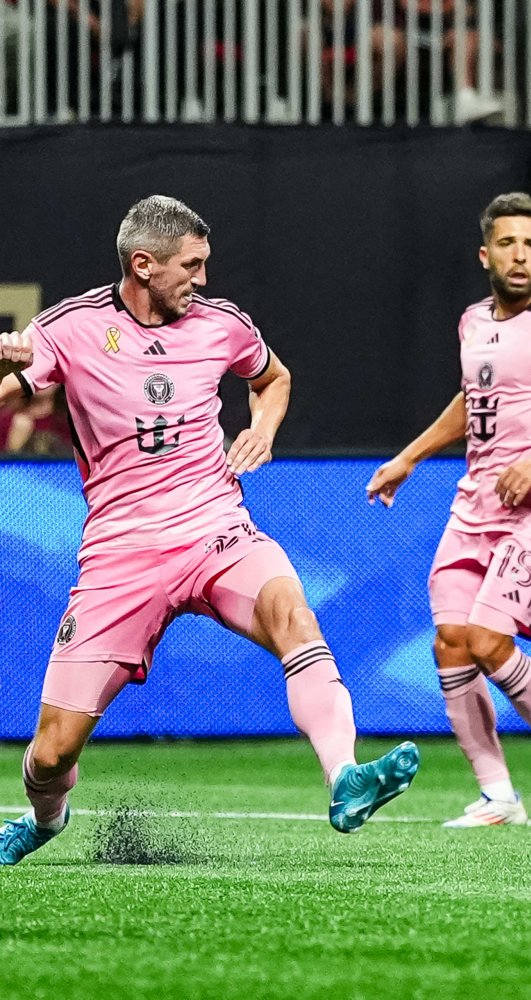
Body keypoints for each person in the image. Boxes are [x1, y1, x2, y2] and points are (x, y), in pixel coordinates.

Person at [0, 195, 419, 866]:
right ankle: (46, 818)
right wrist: (4, 363)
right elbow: (9, 388)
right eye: (190, 265)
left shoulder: (221, 324)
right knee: (51, 752)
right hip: (121, 555)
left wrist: (263, 428)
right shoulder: (73, 327)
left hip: (214, 528)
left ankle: (345, 777)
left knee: (294, 616)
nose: (202, 278)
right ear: (144, 264)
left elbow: (273, 378)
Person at [366, 192, 531, 827]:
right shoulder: (473, 322)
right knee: (451, 644)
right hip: (473, 504)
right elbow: (471, 399)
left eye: (530, 245)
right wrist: (409, 457)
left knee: (488, 639)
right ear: (485, 255)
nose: (519, 255)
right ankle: (497, 796)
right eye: (506, 243)